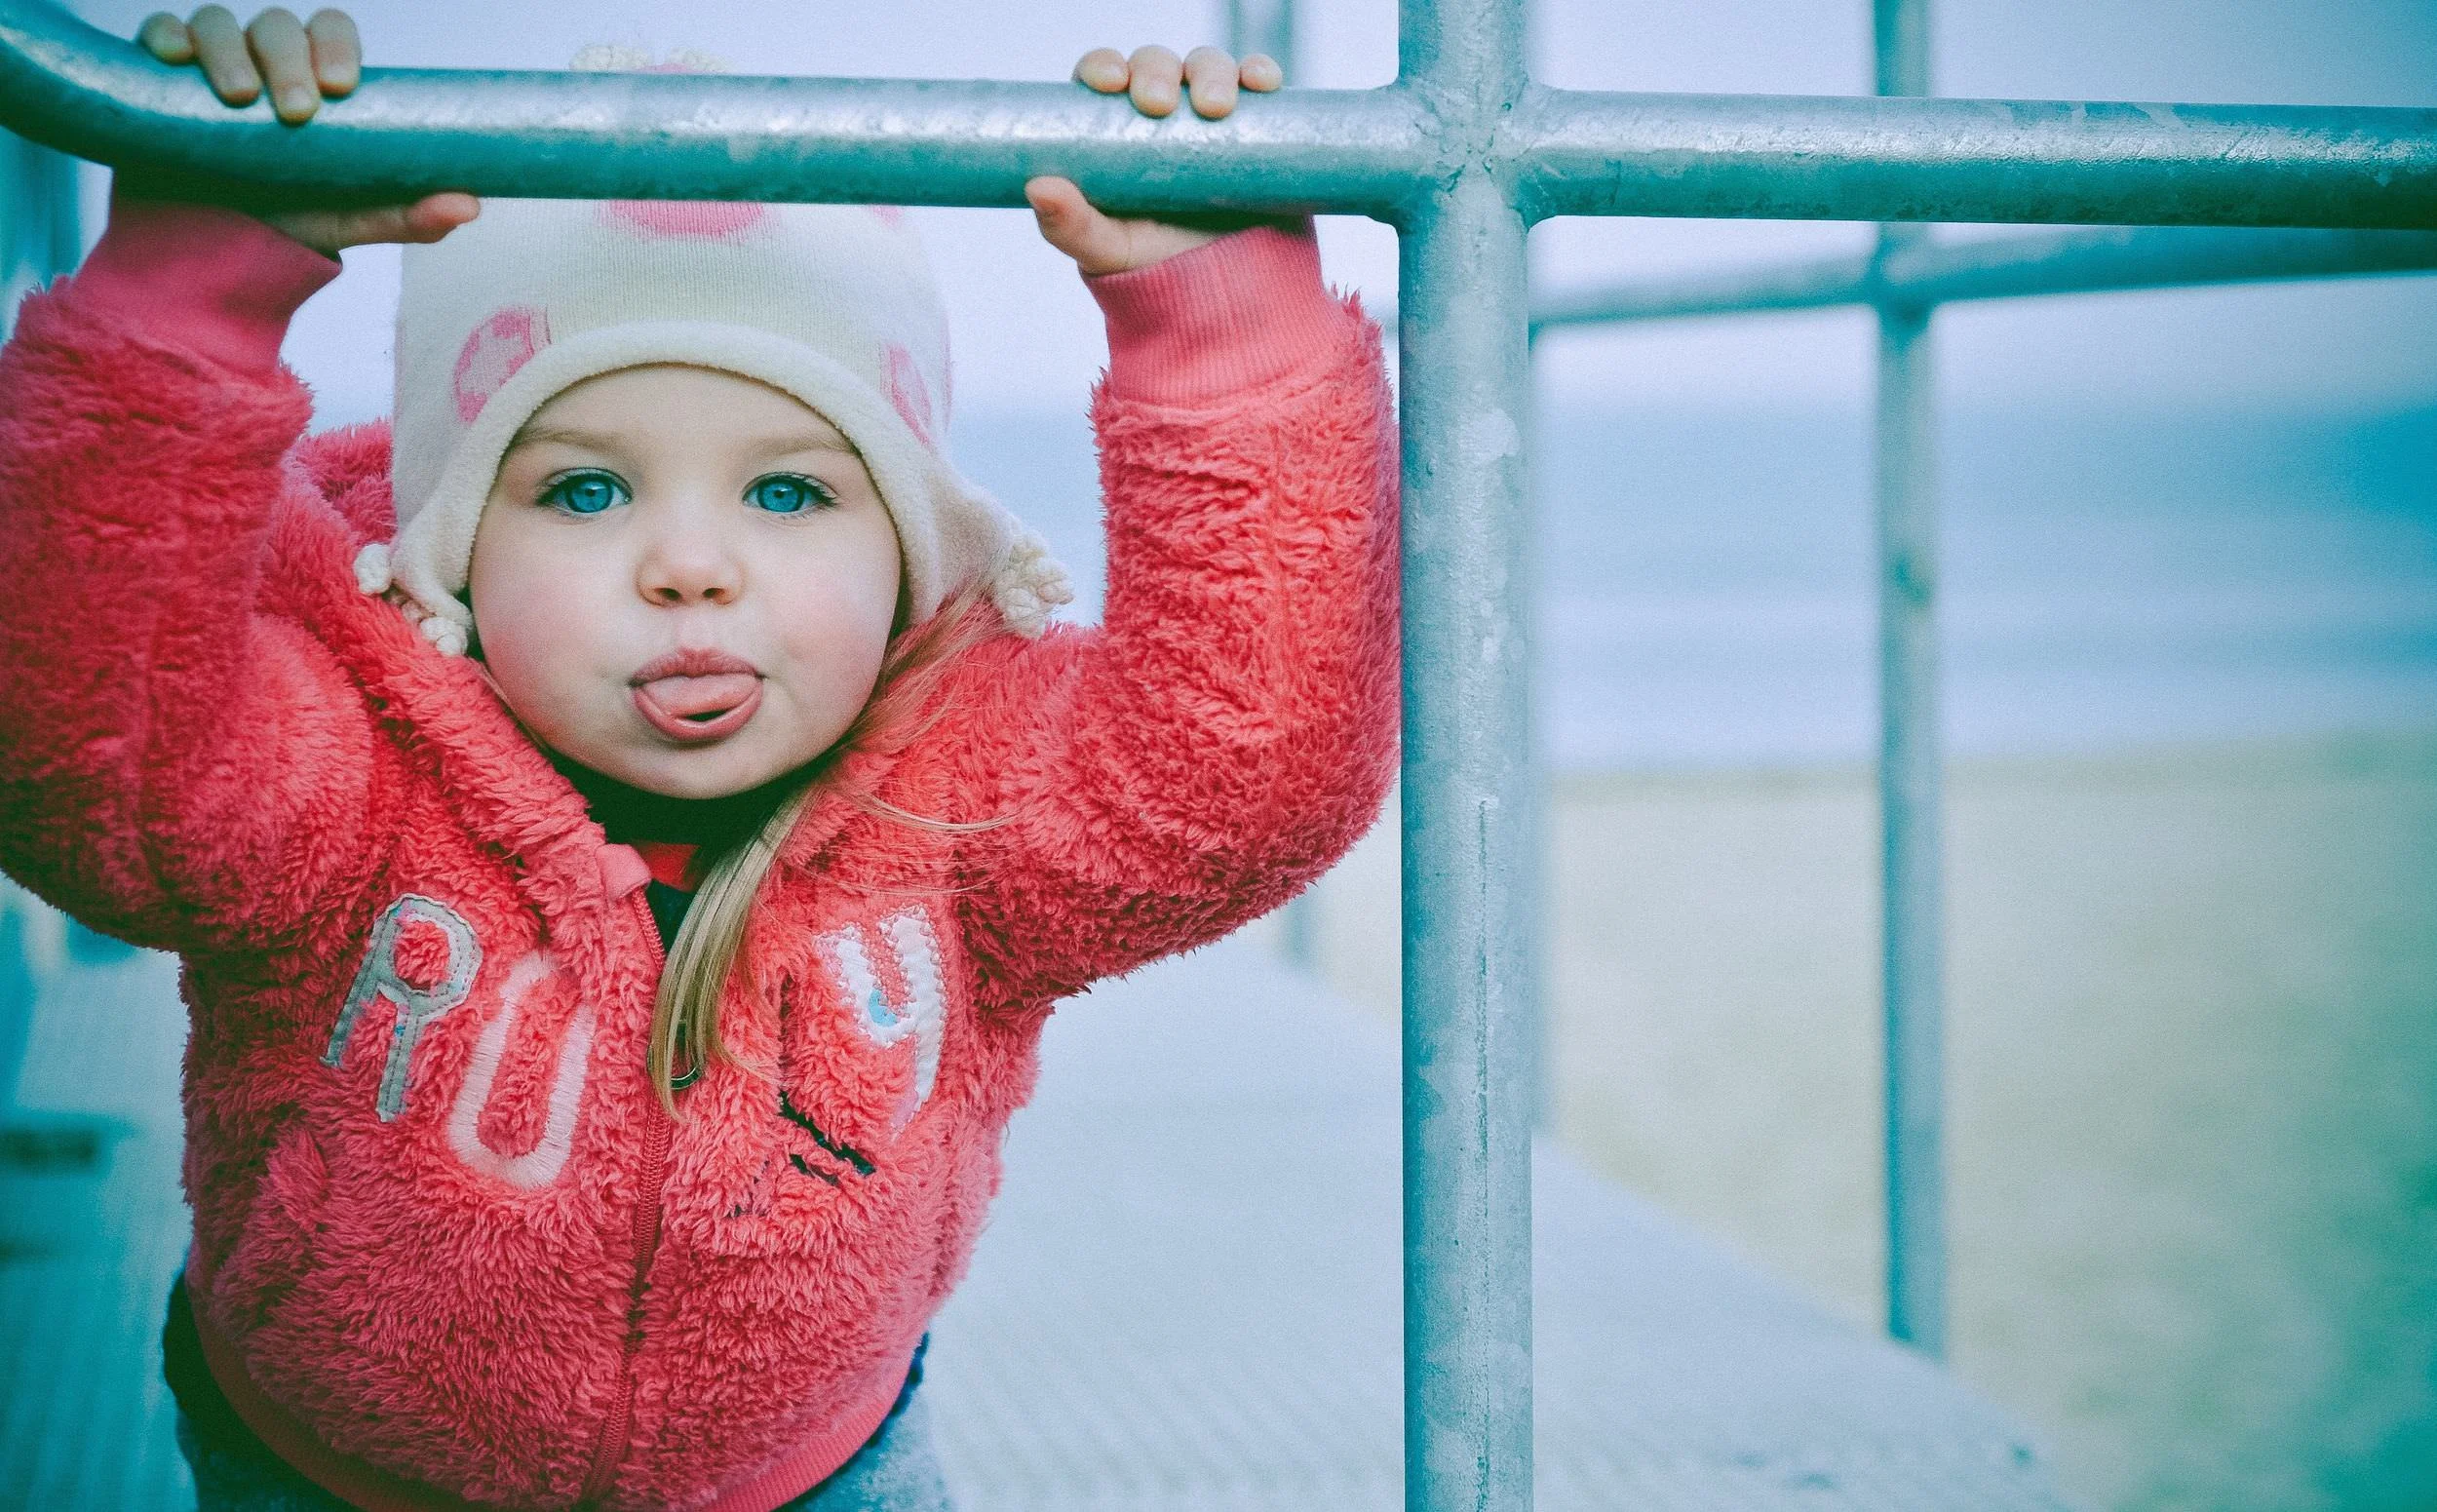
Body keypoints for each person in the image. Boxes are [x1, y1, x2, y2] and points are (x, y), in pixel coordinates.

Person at [0, 8, 1395, 1509]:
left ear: (910, 546)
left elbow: (1236, 776)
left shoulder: (958, 793)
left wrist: (1220, 332)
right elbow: (89, 757)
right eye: (585, 487)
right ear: (452, 547)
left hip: (811, 1472)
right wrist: (184, 312)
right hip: (331, 1471)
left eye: (790, 491)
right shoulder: (351, 759)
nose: (689, 566)